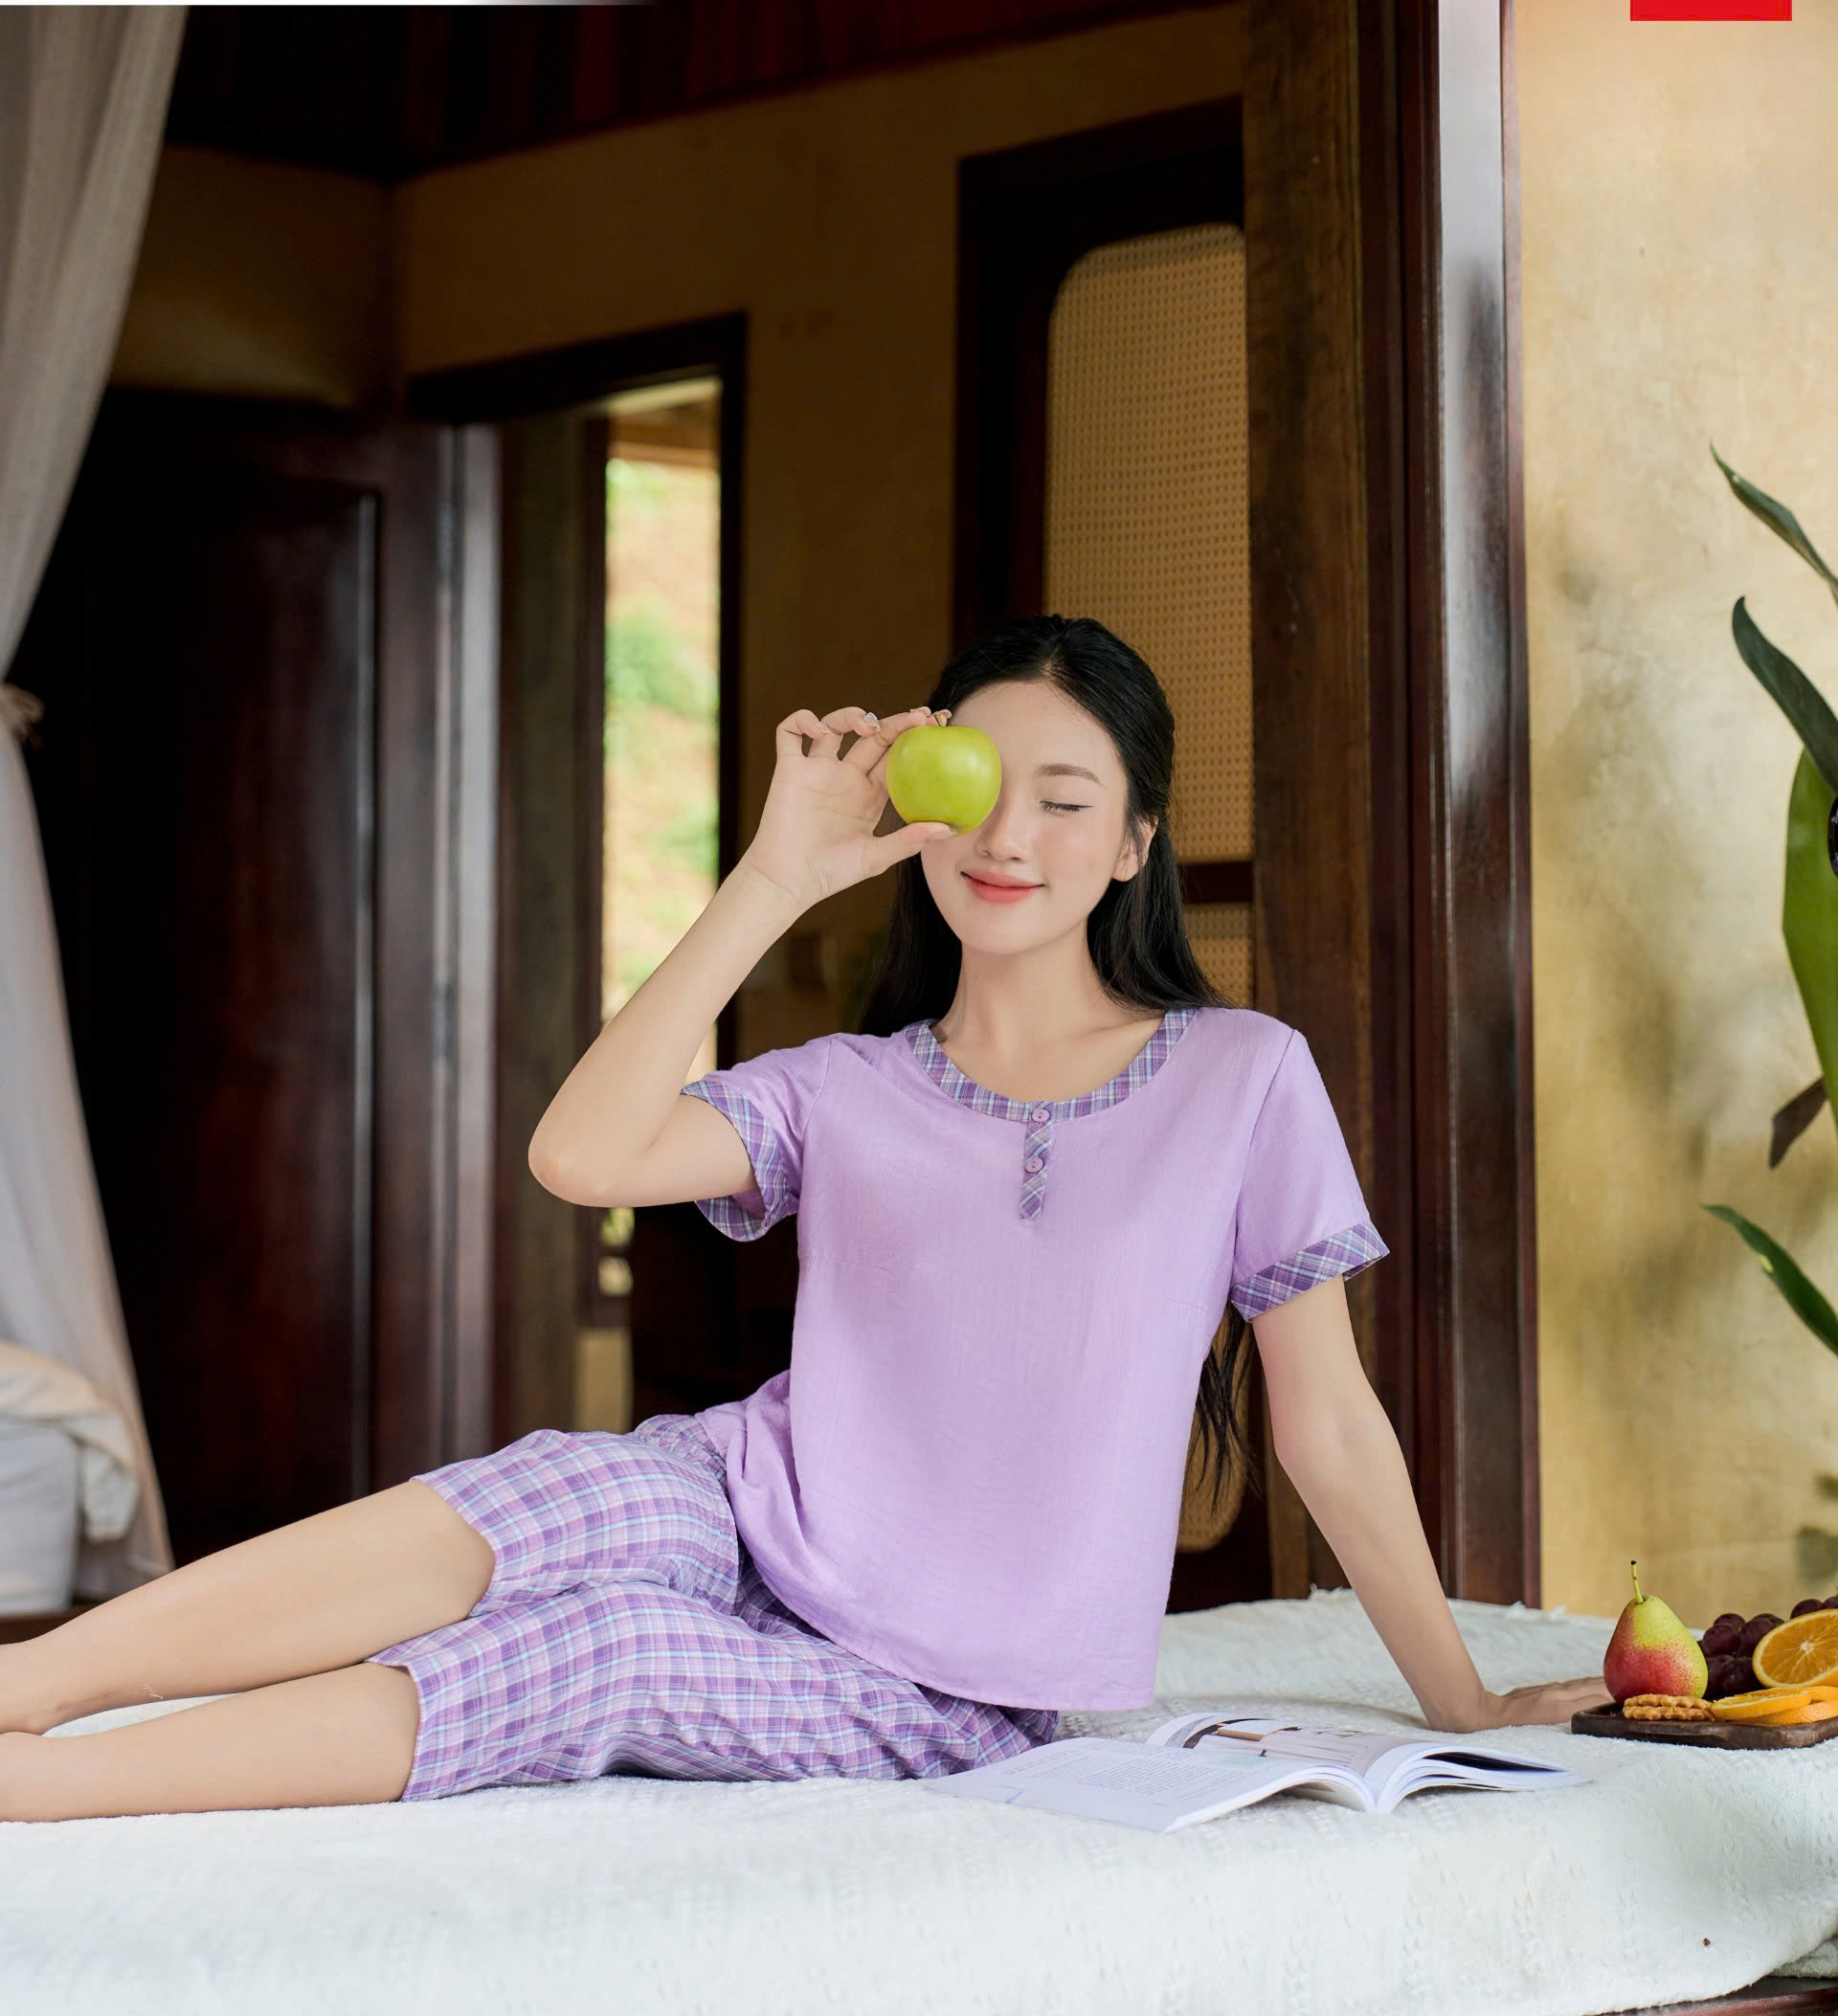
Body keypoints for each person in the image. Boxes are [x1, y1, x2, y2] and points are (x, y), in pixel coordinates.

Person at [0, 616, 1608, 1820]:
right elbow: (580, 1154)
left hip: (957, 1681)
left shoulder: (1242, 1077)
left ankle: (42, 1789)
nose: (1008, 839)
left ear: (1134, 843)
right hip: (750, 1499)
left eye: (1066, 802)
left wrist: (1457, 1697)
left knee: (603, 1656)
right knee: (552, 1498)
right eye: (979, 791)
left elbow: (1329, 1424)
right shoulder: (845, 1087)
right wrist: (774, 877)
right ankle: (30, 1685)